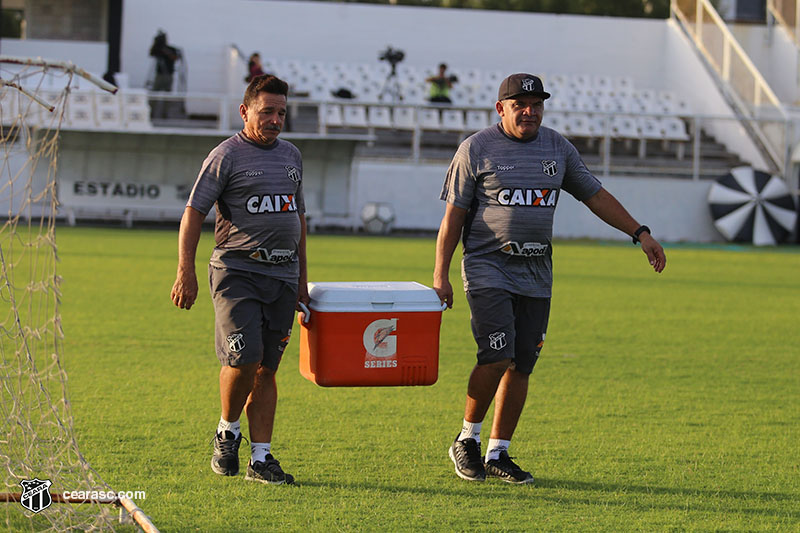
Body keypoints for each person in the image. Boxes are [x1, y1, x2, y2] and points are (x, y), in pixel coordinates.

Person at [434, 73, 666, 484]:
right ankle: (466, 437)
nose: (529, 111)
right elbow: (452, 219)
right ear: (500, 108)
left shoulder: (557, 148)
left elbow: (595, 195)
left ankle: (498, 452)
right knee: (497, 355)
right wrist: (441, 275)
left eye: (536, 104)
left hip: (537, 274)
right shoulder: (476, 148)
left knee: (522, 364)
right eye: (520, 104)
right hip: (488, 269)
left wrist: (639, 232)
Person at [170, 74, 309, 486]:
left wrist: (302, 280)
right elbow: (194, 212)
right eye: (267, 111)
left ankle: (261, 458)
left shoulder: (292, 156)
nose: (275, 119)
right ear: (245, 111)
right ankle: (227, 431)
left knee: (267, 368)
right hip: (238, 271)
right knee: (244, 357)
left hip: (283, 275)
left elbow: (298, 219)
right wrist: (185, 271)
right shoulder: (225, 156)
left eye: (281, 112)